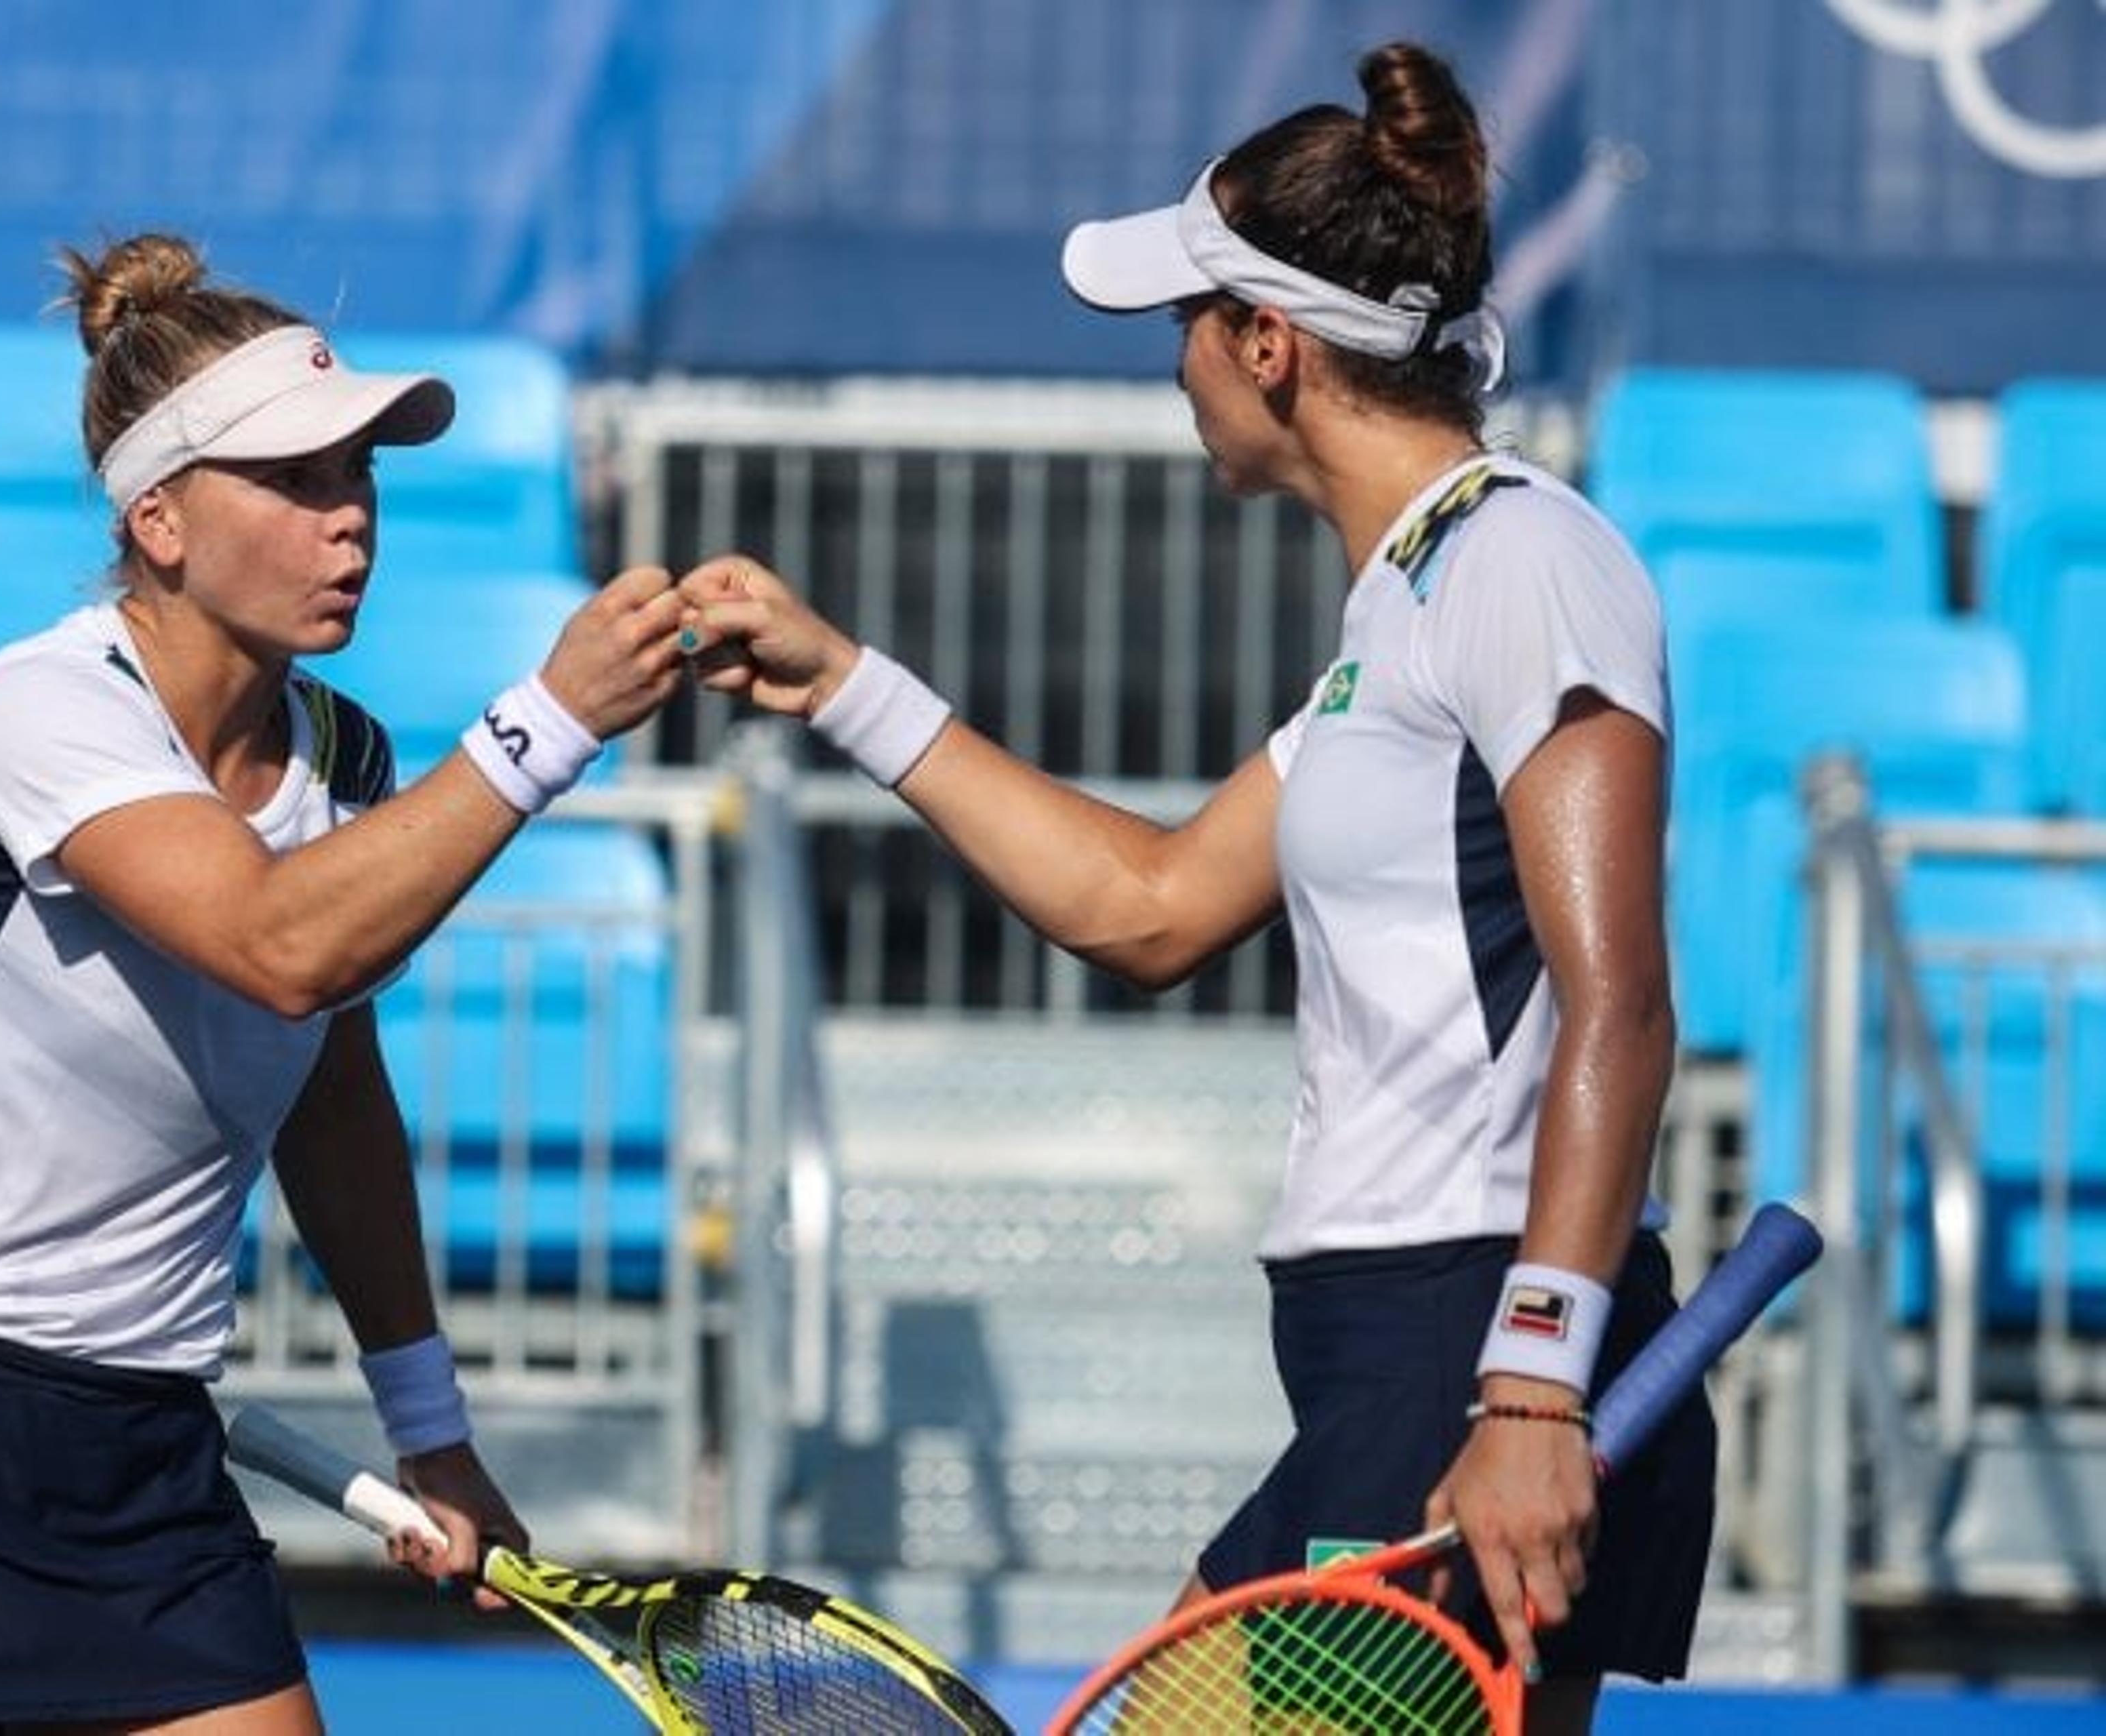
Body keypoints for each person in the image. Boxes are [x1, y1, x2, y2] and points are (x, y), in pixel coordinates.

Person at [679, 41, 1712, 1735]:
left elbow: (1623, 999)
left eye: (1182, 324)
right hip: (1400, 1348)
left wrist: (1529, 1374)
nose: (1170, 367)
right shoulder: (1404, 609)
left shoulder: (1524, 558)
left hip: (1470, 1340)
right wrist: (845, 682)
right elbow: (1145, 903)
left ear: (1267, 345)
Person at [0, 233, 690, 1733]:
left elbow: (330, 1085)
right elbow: (278, 942)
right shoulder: (40, 706)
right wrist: (550, 722)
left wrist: (429, 1425)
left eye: (361, 475)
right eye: (299, 479)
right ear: (162, 520)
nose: (350, 521)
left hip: (140, 1456)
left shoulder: (352, 755)